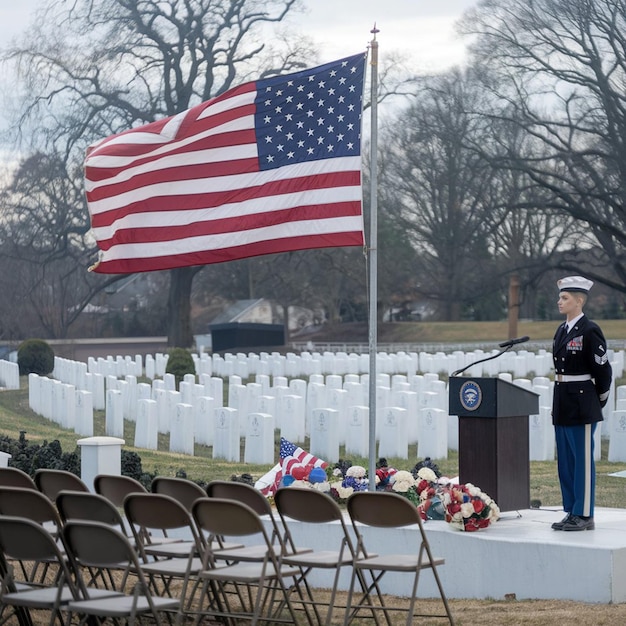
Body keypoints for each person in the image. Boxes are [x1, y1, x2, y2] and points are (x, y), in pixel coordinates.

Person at [551, 276, 612, 532]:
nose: (560, 302)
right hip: (563, 399)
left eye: (565, 298)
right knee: (566, 461)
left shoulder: (590, 330)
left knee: (582, 461)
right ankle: (572, 511)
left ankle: (585, 514)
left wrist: (597, 401)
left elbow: (603, 370)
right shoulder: (562, 330)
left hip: (581, 401)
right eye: (560, 297)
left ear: (579, 300)